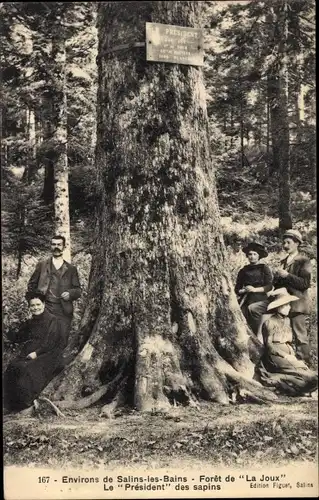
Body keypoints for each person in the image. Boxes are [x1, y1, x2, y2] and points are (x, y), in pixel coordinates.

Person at [3, 292, 65, 412]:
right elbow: (18, 337)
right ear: (29, 307)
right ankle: (9, 405)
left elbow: (51, 342)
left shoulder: (53, 320)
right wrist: (6, 326)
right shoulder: (31, 322)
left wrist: (36, 353)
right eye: (32, 305)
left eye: (38, 304)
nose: (35, 307)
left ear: (44, 304)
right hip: (31, 353)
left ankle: (26, 404)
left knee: (27, 370)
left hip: (49, 354)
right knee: (13, 366)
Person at [256, 288, 317, 397]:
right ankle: (276, 379)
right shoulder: (269, 322)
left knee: (307, 373)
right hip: (275, 357)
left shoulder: (288, 321)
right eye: (286, 305)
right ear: (279, 307)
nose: (289, 307)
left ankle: (281, 381)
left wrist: (292, 355)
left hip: (288, 355)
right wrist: (286, 356)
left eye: (289, 304)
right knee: (308, 375)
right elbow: (269, 345)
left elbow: (289, 342)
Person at [26, 235, 81, 349]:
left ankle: (58, 365)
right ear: (50, 246)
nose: (56, 247)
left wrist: (70, 294)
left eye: (59, 245)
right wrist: (36, 302)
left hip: (63, 311)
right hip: (46, 309)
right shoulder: (42, 265)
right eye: (54, 244)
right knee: (44, 341)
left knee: (61, 341)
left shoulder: (71, 269)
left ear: (64, 247)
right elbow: (31, 285)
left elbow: (78, 290)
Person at [273, 229, 312, 364]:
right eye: (284, 242)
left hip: (297, 303)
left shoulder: (303, 261)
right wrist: (276, 278)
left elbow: (305, 284)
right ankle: (290, 363)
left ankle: (305, 364)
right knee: (284, 336)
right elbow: (279, 284)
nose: (285, 245)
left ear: (297, 243)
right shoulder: (283, 261)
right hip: (283, 304)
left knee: (300, 336)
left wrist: (287, 275)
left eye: (288, 242)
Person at [235, 242, 273, 334]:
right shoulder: (243, 270)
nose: (252, 256)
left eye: (254, 254)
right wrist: (244, 290)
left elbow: (269, 286)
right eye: (250, 254)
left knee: (256, 316)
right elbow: (237, 289)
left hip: (260, 298)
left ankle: (258, 337)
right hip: (246, 298)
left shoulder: (264, 268)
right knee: (241, 317)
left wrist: (255, 289)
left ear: (258, 256)